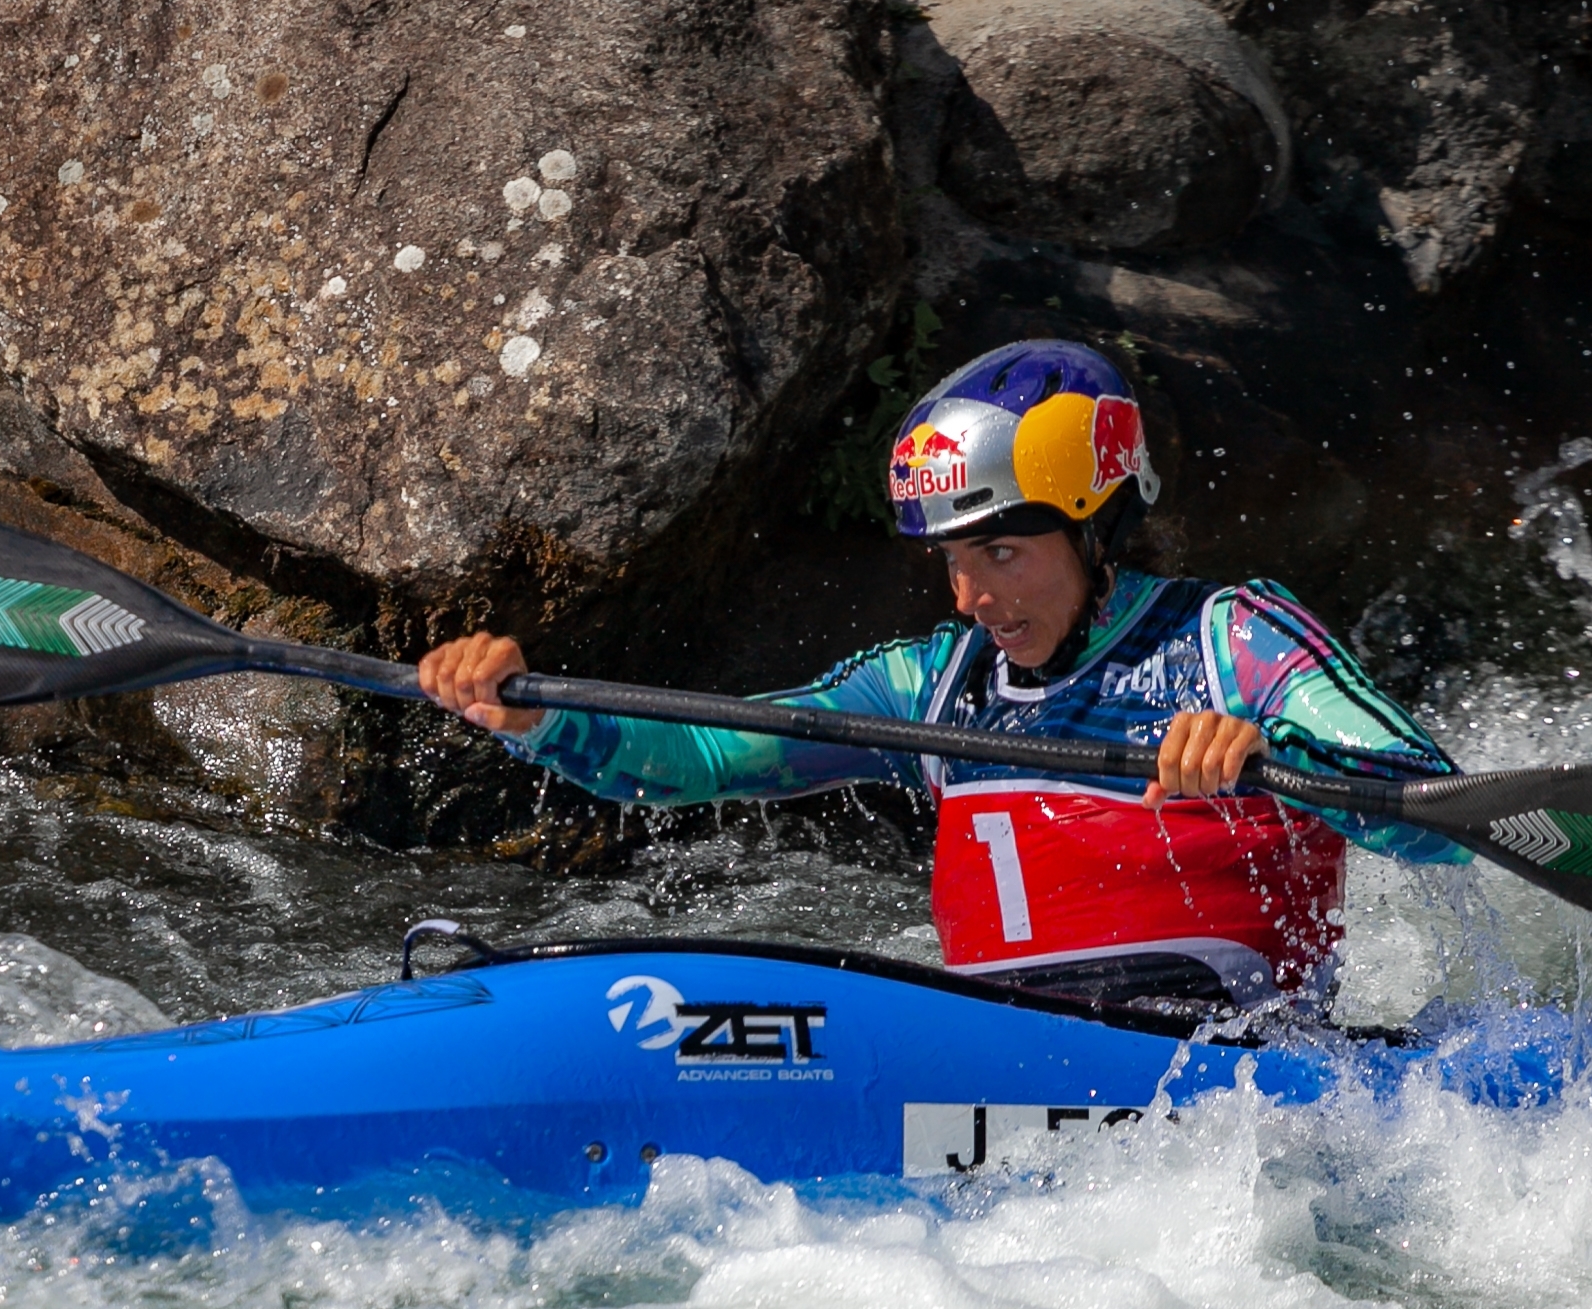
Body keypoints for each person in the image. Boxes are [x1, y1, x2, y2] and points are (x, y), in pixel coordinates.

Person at [415, 339, 1467, 1018]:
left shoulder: (1235, 641)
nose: (971, 598)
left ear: (1096, 532)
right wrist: (528, 714)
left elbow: (1431, 803)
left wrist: (1269, 757)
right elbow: (697, 754)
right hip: (990, 1066)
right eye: (953, 562)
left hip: (1240, 1095)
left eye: (1002, 553)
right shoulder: (931, 685)